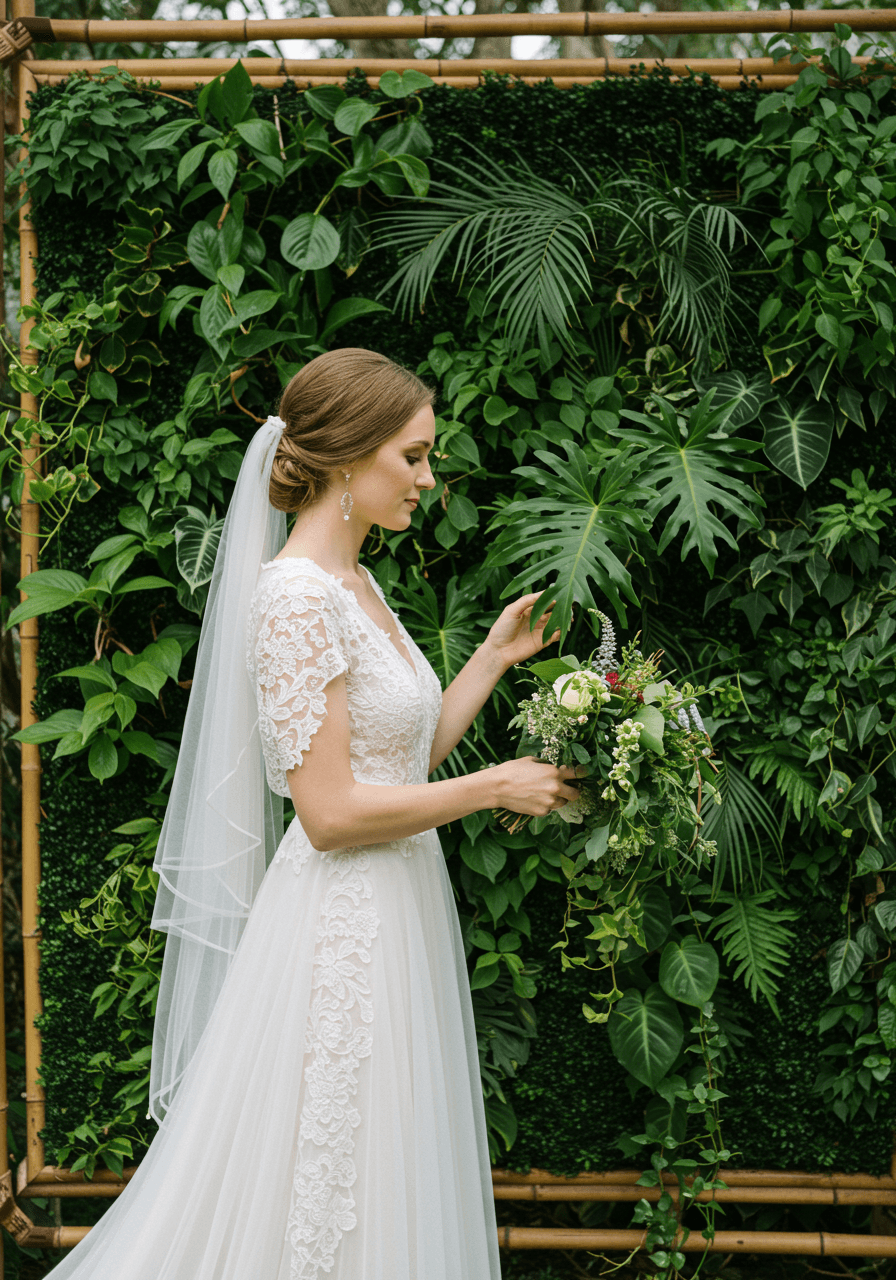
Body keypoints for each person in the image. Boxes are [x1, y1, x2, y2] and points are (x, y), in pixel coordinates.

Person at [45, 348, 580, 1279]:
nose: (428, 479)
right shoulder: (294, 596)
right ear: (347, 456)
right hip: (341, 921)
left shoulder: (357, 585)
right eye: (412, 457)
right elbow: (329, 812)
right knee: (325, 1172)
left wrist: (491, 659)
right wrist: (495, 789)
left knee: (384, 1164)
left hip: (398, 907)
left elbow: (405, 757)